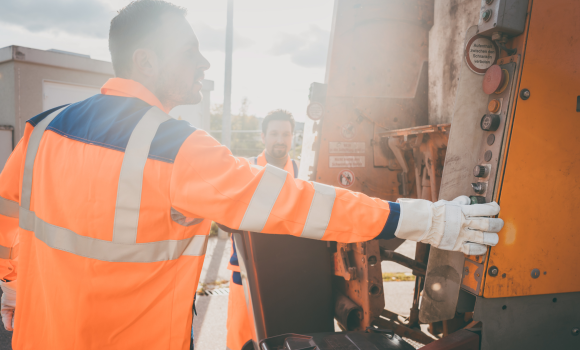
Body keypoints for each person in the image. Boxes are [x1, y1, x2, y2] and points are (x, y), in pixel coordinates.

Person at [0, 1, 503, 349]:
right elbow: (295, 202)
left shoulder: (40, 130)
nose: (202, 62)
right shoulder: (172, 148)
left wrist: (11, 291)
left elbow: (8, 222)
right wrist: (424, 220)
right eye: (188, 51)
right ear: (145, 60)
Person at [226, 110, 299, 350]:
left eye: (286, 134)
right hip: (246, 271)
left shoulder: (302, 173)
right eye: (275, 133)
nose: (281, 139)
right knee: (241, 338)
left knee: (281, 337)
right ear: (263, 137)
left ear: (293, 137)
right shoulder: (244, 171)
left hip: (288, 272)